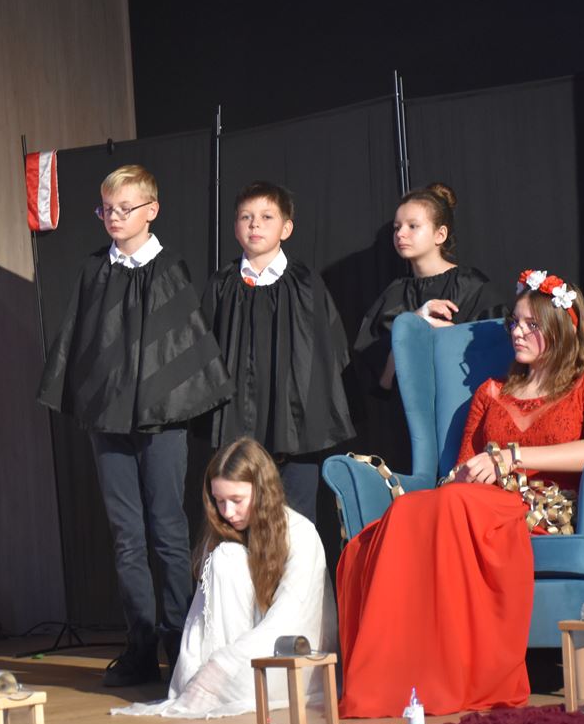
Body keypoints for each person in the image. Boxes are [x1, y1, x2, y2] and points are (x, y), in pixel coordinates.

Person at [337, 270, 584, 718]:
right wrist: (464, 476)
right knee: (406, 510)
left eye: (531, 324)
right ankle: (393, 680)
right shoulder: (491, 392)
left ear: (560, 328)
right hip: (478, 502)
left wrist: (512, 457)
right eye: (515, 322)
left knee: (452, 505)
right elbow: (461, 469)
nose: (517, 332)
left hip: (538, 508)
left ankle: (452, 679)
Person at [38, 164, 233, 686]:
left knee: (167, 530)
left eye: (125, 208)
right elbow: (83, 344)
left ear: (151, 210)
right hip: (109, 421)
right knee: (126, 536)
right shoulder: (94, 270)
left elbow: (182, 351)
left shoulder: (169, 269)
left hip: (161, 422)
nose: (114, 218)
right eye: (107, 209)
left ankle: (180, 644)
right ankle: (140, 645)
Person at [114, 436, 336, 718]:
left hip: (288, 658)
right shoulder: (222, 537)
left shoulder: (301, 534)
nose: (228, 512)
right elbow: (199, 623)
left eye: (237, 500)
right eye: (219, 501)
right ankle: (225, 686)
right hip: (231, 665)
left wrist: (223, 666)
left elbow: (288, 620)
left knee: (227, 558)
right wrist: (198, 677)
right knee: (225, 556)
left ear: (263, 491)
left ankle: (234, 683)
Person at [200, 181, 354, 522]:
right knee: (239, 521)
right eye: (246, 217)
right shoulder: (222, 284)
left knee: (296, 522)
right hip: (238, 428)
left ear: (286, 228)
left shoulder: (305, 282)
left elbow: (329, 353)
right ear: (235, 227)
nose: (255, 224)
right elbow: (206, 356)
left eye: (267, 217)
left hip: (296, 430)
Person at [354, 182, 503, 393]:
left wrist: (453, 336)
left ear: (440, 234)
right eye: (397, 227)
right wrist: (412, 325)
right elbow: (382, 383)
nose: (400, 234)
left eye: (413, 226)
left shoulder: (471, 287)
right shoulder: (394, 295)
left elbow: (498, 355)